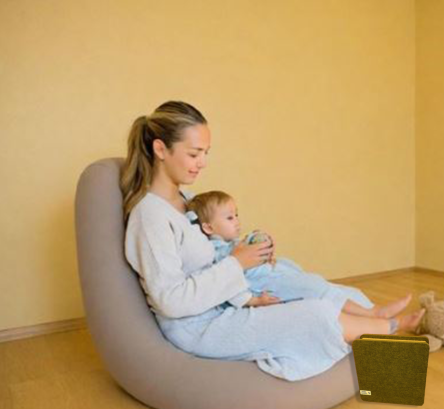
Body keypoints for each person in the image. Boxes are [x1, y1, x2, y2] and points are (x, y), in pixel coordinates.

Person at [122, 100, 425, 381]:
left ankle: (380, 340)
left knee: (322, 290)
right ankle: (393, 331)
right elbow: (171, 300)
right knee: (317, 315)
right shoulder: (150, 216)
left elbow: (214, 248)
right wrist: (236, 263)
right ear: (160, 149)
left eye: (206, 153)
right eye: (194, 154)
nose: (202, 163)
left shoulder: (187, 201)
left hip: (228, 302)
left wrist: (250, 249)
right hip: (200, 326)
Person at [186, 190, 413, 319]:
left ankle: (362, 310)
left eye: (236, 215)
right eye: (229, 218)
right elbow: (228, 284)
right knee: (314, 286)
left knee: (302, 273)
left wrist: (264, 252)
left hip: (272, 274)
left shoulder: (233, 243)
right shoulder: (218, 254)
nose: (237, 221)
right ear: (208, 227)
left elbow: (248, 259)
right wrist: (254, 301)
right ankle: (373, 313)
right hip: (264, 286)